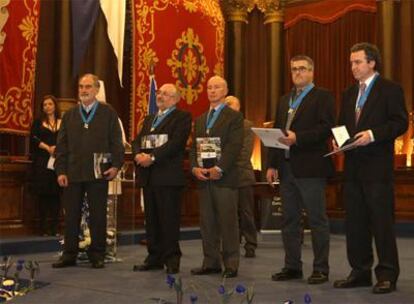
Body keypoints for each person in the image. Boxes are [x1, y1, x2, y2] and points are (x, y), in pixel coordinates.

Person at [333, 43, 408, 294]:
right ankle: (360, 271)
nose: (352, 67)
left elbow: (400, 123)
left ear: (372, 62)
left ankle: (387, 273)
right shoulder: (347, 93)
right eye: (351, 62)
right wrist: (340, 141)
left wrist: (373, 134)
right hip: (352, 169)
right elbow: (341, 125)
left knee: (381, 222)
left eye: (357, 62)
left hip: (377, 169)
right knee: (355, 222)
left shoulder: (390, 89)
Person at [266, 55, 335, 284]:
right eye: (294, 69)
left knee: (317, 220)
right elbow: (277, 133)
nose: (298, 73)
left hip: (311, 168)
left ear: (312, 72)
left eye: (302, 69)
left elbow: (326, 129)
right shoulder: (284, 99)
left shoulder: (322, 97)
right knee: (289, 220)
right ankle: (292, 266)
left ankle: (320, 269)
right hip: (286, 169)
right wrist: (272, 164)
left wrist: (299, 138)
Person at [52, 73, 124, 269]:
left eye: (88, 87)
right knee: (71, 215)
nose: (84, 90)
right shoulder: (70, 115)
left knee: (98, 215)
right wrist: (60, 171)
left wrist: (116, 166)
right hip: (73, 173)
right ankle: (69, 254)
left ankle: (97, 254)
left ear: (97, 90)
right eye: (81, 87)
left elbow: (117, 143)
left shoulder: (108, 113)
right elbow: (62, 146)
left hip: (98, 173)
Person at [131, 83, 192, 274]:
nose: (160, 96)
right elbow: (137, 141)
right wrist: (137, 155)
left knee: (169, 220)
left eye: (165, 94)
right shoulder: (150, 118)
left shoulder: (182, 117)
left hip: (168, 177)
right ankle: (154, 257)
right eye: (159, 93)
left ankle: (172, 258)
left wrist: (153, 157)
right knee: (152, 220)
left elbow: (176, 143)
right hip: (148, 177)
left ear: (174, 99)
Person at [190, 76, 244, 278]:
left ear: (225, 90)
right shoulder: (201, 118)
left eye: (217, 87)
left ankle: (231, 264)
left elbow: (234, 146)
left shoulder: (234, 117)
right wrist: (195, 167)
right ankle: (210, 262)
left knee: (228, 221)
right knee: (208, 222)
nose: (212, 91)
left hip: (224, 178)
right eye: (209, 87)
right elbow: (194, 147)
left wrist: (220, 168)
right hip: (204, 178)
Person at [225, 95, 258, 258]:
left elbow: (245, 153)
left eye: (231, 105)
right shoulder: (221, 126)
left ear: (239, 108)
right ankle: (232, 244)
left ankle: (251, 244)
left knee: (246, 213)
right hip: (225, 176)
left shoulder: (247, 126)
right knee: (230, 213)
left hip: (242, 175)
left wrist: (224, 165)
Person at [30, 95, 62, 236]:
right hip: (42, 162)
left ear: (55, 105)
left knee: (56, 195)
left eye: (50, 104)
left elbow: (68, 139)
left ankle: (55, 227)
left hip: (58, 161)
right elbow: (33, 138)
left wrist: (57, 148)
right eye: (45, 105)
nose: (47, 107)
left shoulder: (63, 122)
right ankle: (42, 228)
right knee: (43, 195)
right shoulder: (38, 122)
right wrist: (47, 147)